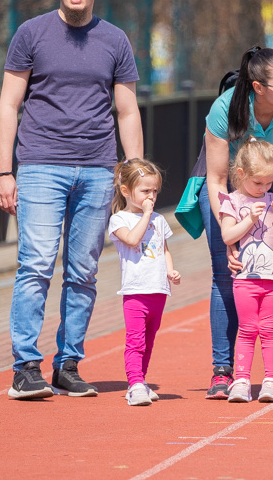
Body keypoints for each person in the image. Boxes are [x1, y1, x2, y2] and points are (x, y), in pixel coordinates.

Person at [0, 0, 143, 400]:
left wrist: (136, 178)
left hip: (98, 170)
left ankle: (69, 364)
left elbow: (127, 111)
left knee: (83, 271)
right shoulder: (31, 34)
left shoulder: (115, 40)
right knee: (35, 265)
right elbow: (8, 104)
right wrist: (4, 172)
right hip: (39, 167)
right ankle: (25, 367)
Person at [201, 46, 273, 400]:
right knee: (226, 274)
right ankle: (223, 372)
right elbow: (216, 179)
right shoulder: (225, 110)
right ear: (257, 88)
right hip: (230, 196)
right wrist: (230, 235)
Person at [218, 139, 273, 403]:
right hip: (245, 280)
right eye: (257, 183)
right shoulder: (233, 201)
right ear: (241, 174)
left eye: (268, 182)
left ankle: (271, 381)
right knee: (248, 330)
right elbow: (228, 236)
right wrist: (249, 218)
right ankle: (241, 380)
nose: (264, 188)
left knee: (270, 330)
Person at [108, 159, 180, 407]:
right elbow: (131, 240)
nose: (152, 196)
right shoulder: (119, 220)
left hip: (158, 290)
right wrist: (146, 214)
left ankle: (142, 381)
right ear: (126, 191)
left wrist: (170, 271)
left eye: (154, 191)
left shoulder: (159, 220)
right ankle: (134, 383)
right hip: (135, 291)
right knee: (135, 340)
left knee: (149, 340)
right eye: (145, 191)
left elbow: (164, 249)